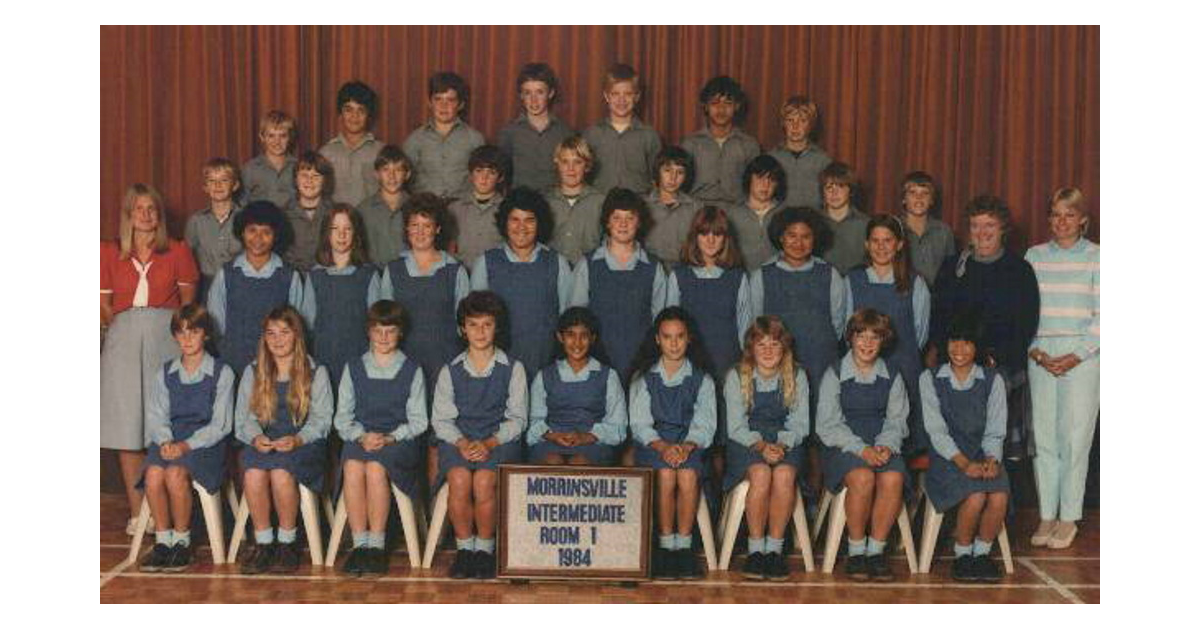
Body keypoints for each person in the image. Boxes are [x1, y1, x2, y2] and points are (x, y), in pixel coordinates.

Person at [102, 183, 200, 535]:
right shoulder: (108, 252)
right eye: (138, 209)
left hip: (165, 338)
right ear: (128, 215)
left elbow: (188, 305)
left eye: (151, 209)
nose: (145, 215)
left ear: (159, 215)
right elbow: (104, 306)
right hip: (123, 340)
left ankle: (170, 510)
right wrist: (129, 328)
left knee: (163, 422)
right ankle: (137, 511)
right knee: (128, 427)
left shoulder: (177, 251)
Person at [929, 195, 1039, 463]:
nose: (982, 232)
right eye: (976, 226)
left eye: (989, 225)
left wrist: (992, 361)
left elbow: (1025, 324)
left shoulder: (1020, 270)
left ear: (1002, 229)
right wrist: (958, 360)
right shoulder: (951, 267)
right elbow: (938, 319)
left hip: (1002, 370)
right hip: (957, 367)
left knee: (997, 451)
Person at [431, 291, 528, 580]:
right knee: (460, 478)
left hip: (498, 441)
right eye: (473, 325)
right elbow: (442, 420)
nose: (480, 332)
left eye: (487, 324)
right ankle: (464, 551)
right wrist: (462, 443)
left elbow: (517, 419)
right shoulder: (451, 370)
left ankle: (484, 549)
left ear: (497, 327)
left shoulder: (513, 368)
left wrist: (488, 443)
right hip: (459, 441)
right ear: (462, 329)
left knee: (485, 480)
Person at [749, 207, 844, 498]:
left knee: (817, 432)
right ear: (780, 237)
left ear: (815, 240)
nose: (798, 242)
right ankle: (787, 504)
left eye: (805, 236)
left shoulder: (829, 274)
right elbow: (753, 323)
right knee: (784, 427)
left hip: (819, 360)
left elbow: (839, 322)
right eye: (791, 235)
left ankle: (815, 500)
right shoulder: (762, 275)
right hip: (775, 364)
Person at [1024, 186, 1099, 550]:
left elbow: (1105, 318)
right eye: (1055, 214)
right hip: (1041, 353)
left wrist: (1076, 355)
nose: (1062, 222)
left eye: (1070, 214)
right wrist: (1037, 352)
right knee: (1045, 438)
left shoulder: (1099, 258)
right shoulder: (1034, 256)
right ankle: (1046, 515)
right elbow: (1022, 313)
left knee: (1074, 437)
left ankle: (1068, 516)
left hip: (1082, 356)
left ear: (1083, 219)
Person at [333, 300, 429, 577]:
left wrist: (390, 437)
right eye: (378, 331)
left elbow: (419, 421)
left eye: (390, 331)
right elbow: (342, 418)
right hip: (362, 438)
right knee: (353, 466)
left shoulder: (412, 369)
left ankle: (376, 546)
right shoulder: (353, 367)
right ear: (369, 332)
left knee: (375, 468)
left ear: (400, 333)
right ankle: (359, 545)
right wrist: (361, 436)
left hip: (398, 443)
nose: (384, 338)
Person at [235, 306, 333, 574]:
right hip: (266, 442)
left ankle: (287, 542)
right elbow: (244, 418)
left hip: (304, 445)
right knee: (253, 472)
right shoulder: (254, 371)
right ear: (264, 338)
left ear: (297, 336)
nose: (277, 340)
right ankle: (264, 542)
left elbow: (322, 420)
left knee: (280, 472)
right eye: (271, 333)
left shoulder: (315, 371)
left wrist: (299, 439)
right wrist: (256, 437)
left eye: (284, 333)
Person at [139, 304, 235, 572]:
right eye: (181, 333)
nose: (187, 339)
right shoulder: (165, 372)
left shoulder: (221, 372)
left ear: (205, 334)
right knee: (154, 473)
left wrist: (185, 445)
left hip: (206, 444)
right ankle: (162, 541)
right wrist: (167, 441)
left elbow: (220, 425)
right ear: (174, 337)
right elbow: (157, 415)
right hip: (170, 441)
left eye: (194, 332)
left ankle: (181, 541)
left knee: (174, 474)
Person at [817, 308, 910, 582]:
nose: (867, 343)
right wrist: (862, 450)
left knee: (893, 477)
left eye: (875, 337)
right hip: (843, 444)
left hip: (881, 443)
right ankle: (856, 549)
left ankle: (876, 550)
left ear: (884, 341)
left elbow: (897, 420)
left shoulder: (893, 375)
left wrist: (885, 446)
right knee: (862, 476)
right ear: (850, 338)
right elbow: (828, 424)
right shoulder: (835, 372)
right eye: (861, 336)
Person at [919, 312, 1009, 582]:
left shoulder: (993, 380)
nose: (959, 349)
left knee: (999, 496)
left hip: (982, 453)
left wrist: (991, 459)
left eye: (967, 343)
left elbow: (995, 429)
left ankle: (981, 554)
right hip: (946, 457)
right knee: (976, 496)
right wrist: (963, 463)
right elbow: (936, 431)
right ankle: (962, 555)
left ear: (978, 347)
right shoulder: (930, 378)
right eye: (954, 342)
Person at [628, 307, 716, 580]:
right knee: (666, 475)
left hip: (689, 444)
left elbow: (705, 424)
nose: (674, 343)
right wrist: (663, 447)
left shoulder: (702, 379)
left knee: (688, 475)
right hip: (654, 446)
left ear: (689, 338)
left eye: (680, 337)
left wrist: (686, 447)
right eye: (667, 337)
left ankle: (685, 548)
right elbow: (641, 424)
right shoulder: (644, 377)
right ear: (657, 339)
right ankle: (667, 547)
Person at [723, 316, 809, 581]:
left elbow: (800, 423)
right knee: (760, 474)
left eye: (774, 344)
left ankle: (774, 550)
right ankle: (756, 550)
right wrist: (761, 446)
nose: (769, 351)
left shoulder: (797, 375)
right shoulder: (736, 375)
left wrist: (781, 445)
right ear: (751, 349)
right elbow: (736, 427)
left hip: (786, 440)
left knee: (783, 475)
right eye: (761, 345)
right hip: (748, 441)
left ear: (784, 347)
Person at [844, 214, 931, 453]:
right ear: (866, 245)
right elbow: (845, 327)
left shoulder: (915, 283)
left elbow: (920, 334)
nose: (881, 247)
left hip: (904, 366)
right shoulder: (853, 280)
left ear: (900, 244)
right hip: (864, 369)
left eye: (888, 240)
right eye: (875, 241)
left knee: (903, 440)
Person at [471, 187, 573, 381]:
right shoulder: (486, 263)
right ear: (505, 223)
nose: (522, 227)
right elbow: (475, 323)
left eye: (529, 220)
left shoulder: (556, 263)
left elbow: (568, 320)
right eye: (515, 220)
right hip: (497, 365)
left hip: (545, 362)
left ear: (539, 223)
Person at [569, 187, 668, 384]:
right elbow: (576, 320)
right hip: (597, 361)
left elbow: (662, 322)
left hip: (642, 364)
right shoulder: (588, 264)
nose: (623, 224)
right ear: (607, 221)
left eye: (630, 218)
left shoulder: (653, 267)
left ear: (639, 222)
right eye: (616, 218)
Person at [379, 193, 469, 387]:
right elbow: (383, 325)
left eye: (426, 226)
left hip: (446, 362)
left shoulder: (455, 270)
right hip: (404, 363)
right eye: (414, 225)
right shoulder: (393, 270)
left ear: (437, 229)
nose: (420, 232)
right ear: (407, 228)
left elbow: (465, 326)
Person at [206, 201, 305, 378]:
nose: (258, 238)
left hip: (277, 365)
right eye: (252, 230)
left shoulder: (289, 276)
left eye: (266, 232)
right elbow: (215, 325)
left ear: (276, 236)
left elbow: (296, 328)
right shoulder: (227, 274)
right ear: (242, 232)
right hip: (233, 364)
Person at [527, 307, 627, 465]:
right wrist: (555, 436)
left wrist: (585, 437)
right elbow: (533, 423)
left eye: (584, 336)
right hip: (551, 443)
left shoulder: (608, 376)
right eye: (570, 335)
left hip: (593, 444)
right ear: (560, 337)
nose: (577, 342)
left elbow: (618, 426)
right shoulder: (545, 376)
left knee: (579, 464)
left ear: (593, 338)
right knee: (553, 462)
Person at [667, 206, 752, 382]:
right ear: (695, 237)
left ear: (725, 238)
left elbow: (745, 328)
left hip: (727, 362)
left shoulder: (737, 277)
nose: (710, 240)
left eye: (717, 234)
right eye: (704, 233)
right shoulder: (679, 276)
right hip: (689, 362)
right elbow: (670, 328)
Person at [299, 204, 382, 382]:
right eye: (335, 228)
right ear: (326, 234)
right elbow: (307, 326)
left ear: (356, 234)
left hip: (359, 358)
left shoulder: (368, 275)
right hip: (323, 358)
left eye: (348, 229)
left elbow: (377, 325)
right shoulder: (315, 276)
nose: (341, 235)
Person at [680, 76, 761, 208]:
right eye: (714, 103)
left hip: (737, 211)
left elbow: (756, 186)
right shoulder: (691, 144)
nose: (721, 109)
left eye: (728, 104)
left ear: (737, 106)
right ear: (705, 106)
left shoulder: (749, 145)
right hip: (698, 211)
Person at [582, 63, 662, 195]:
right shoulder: (592, 134)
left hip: (637, 205)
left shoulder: (649, 135)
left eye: (628, 94)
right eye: (615, 94)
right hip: (600, 204)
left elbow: (657, 179)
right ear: (606, 96)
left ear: (637, 96)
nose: (621, 100)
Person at [403, 71, 485, 199]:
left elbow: (482, 180)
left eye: (450, 100)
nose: (443, 105)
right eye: (438, 99)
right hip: (425, 209)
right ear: (429, 102)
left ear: (461, 104)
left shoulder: (474, 139)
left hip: (462, 209)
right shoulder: (415, 139)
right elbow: (405, 180)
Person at [497, 62, 574, 192]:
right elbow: (502, 174)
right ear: (521, 95)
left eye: (539, 92)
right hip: (521, 204)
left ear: (550, 93)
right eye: (527, 93)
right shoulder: (509, 132)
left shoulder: (565, 132)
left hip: (555, 203)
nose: (534, 100)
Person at [185, 157, 243, 300]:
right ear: (205, 187)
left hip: (239, 282)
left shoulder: (246, 218)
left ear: (235, 185)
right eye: (212, 181)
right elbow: (187, 259)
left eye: (224, 180)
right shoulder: (196, 221)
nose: (218, 185)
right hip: (206, 284)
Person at [319, 80, 383, 207]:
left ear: (369, 115)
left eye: (361, 110)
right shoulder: (325, 153)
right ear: (340, 113)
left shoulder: (381, 151)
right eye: (348, 110)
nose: (355, 116)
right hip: (337, 224)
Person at [448, 145, 509, 271]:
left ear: (500, 178)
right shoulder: (454, 209)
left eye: (491, 173)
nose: (484, 178)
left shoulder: (507, 208)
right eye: (479, 171)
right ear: (471, 174)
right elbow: (449, 246)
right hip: (462, 273)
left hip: (495, 274)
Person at [545, 135, 605, 264]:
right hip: (552, 273)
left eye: (577, 162)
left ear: (587, 166)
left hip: (589, 273)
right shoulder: (545, 201)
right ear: (557, 164)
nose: (571, 168)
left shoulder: (601, 201)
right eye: (565, 162)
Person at [767, 96, 832, 210]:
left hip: (812, 221)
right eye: (790, 120)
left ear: (811, 125)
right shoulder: (771, 158)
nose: (795, 126)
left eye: (802, 121)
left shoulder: (823, 160)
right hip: (779, 221)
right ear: (783, 123)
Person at [726, 155, 788, 269]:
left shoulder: (786, 213)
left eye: (772, 180)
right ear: (749, 179)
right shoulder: (732, 213)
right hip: (742, 279)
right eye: (760, 178)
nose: (765, 185)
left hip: (777, 279)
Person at [356, 145, 414, 266]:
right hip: (374, 277)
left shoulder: (417, 206)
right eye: (385, 169)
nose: (391, 176)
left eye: (398, 170)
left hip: (409, 278)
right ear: (376, 174)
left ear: (407, 174)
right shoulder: (363, 210)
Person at [644, 146, 701, 268]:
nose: (673, 178)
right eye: (667, 170)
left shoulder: (695, 207)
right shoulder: (643, 204)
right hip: (649, 269)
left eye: (680, 172)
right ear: (657, 171)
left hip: (683, 269)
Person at [899, 171, 956, 287]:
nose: (919, 197)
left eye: (925, 193)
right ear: (904, 199)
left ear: (931, 200)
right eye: (912, 192)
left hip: (936, 298)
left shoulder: (944, 231)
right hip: (902, 296)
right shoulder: (894, 228)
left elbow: (950, 271)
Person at [282, 151, 335, 271]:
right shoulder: (282, 214)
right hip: (292, 279)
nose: (310, 181)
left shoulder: (335, 213)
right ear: (295, 179)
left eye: (316, 176)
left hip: (326, 277)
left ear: (325, 180)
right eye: (304, 175)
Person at [817, 161, 870, 275]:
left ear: (850, 190)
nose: (834, 193)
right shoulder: (814, 222)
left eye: (840, 186)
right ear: (823, 192)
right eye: (828, 187)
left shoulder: (866, 224)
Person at [242, 110, 298, 209]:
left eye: (283, 136)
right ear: (262, 137)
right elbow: (242, 204)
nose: (277, 142)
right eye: (271, 136)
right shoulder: (250, 169)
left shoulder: (298, 167)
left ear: (290, 137)